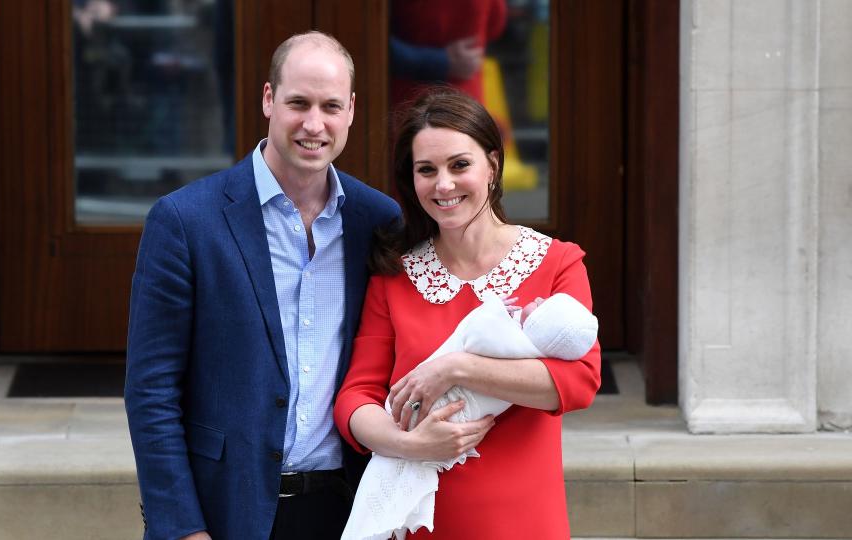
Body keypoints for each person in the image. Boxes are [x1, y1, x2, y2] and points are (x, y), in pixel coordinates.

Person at [125, 31, 400, 540]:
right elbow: (151, 390)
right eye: (298, 102)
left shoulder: (379, 221)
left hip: (349, 510)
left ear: (352, 110)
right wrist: (183, 528)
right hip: (225, 512)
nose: (314, 124)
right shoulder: (186, 220)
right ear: (269, 99)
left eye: (330, 106)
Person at [333, 89, 601, 539]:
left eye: (460, 165)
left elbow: (579, 382)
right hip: (419, 523)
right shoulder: (394, 275)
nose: (443, 184)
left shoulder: (558, 263)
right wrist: (408, 444)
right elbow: (355, 397)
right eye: (426, 170)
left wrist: (458, 368)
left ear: (492, 166)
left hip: (524, 520)